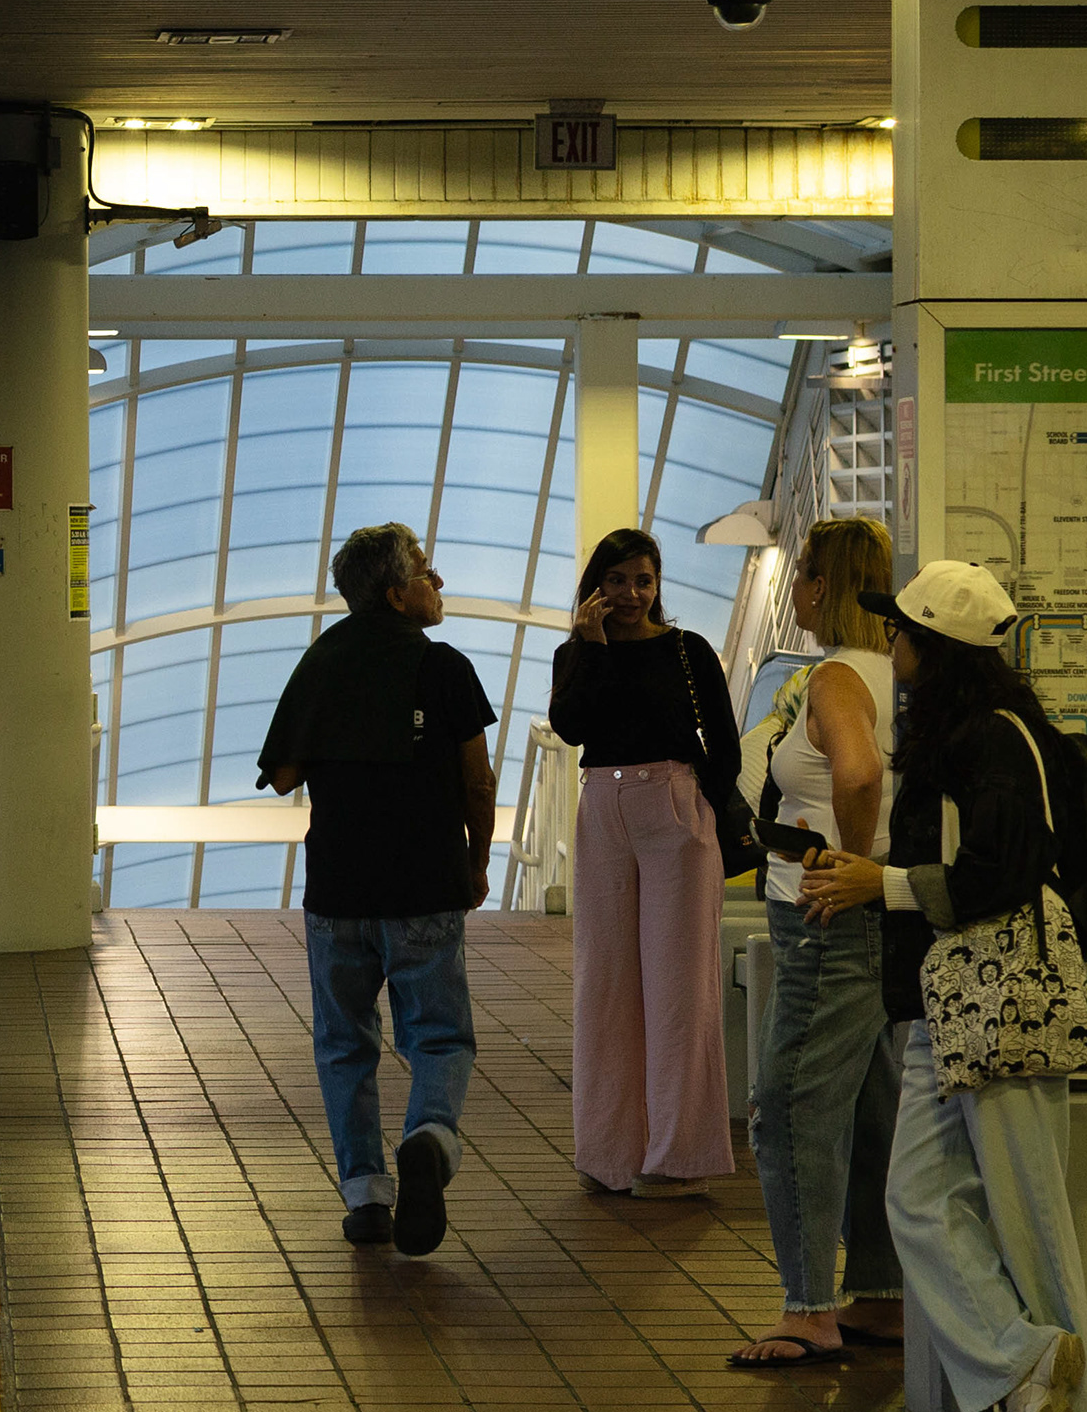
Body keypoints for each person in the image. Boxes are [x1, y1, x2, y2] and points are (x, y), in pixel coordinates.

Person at [798, 561, 1087, 1412]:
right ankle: (1018, 1374)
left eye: (901, 633)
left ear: (934, 648)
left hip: (1000, 991)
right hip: (957, 996)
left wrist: (875, 883)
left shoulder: (991, 742)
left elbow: (996, 876)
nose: (890, 646)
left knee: (1026, 1212)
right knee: (919, 1203)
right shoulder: (973, 735)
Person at [255, 524, 497, 1256]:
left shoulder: (323, 659)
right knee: (440, 1034)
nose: (438, 581)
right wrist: (477, 862)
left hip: (339, 888)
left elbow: (287, 775)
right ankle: (428, 1138)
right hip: (424, 880)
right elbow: (477, 781)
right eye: (425, 570)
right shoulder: (443, 667)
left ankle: (364, 1195)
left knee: (343, 1041)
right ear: (397, 593)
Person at [729, 516, 907, 1368]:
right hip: (882, 925)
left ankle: (808, 1309)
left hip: (826, 925)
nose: (794, 585)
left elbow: (859, 772)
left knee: (791, 1106)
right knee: (871, 1107)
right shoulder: (899, 672)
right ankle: (879, 1291)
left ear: (826, 585)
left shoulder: (837, 676)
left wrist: (847, 864)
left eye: (803, 571)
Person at [550, 527, 736, 1198]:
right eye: (619, 579)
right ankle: (609, 1153)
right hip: (603, 804)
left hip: (676, 806)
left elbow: (725, 745)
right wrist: (592, 649)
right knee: (605, 982)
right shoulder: (575, 653)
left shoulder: (688, 651)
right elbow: (573, 729)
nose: (631, 593)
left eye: (644, 580)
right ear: (597, 584)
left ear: (659, 587)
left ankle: (677, 1157)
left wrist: (702, 814)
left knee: (679, 984)